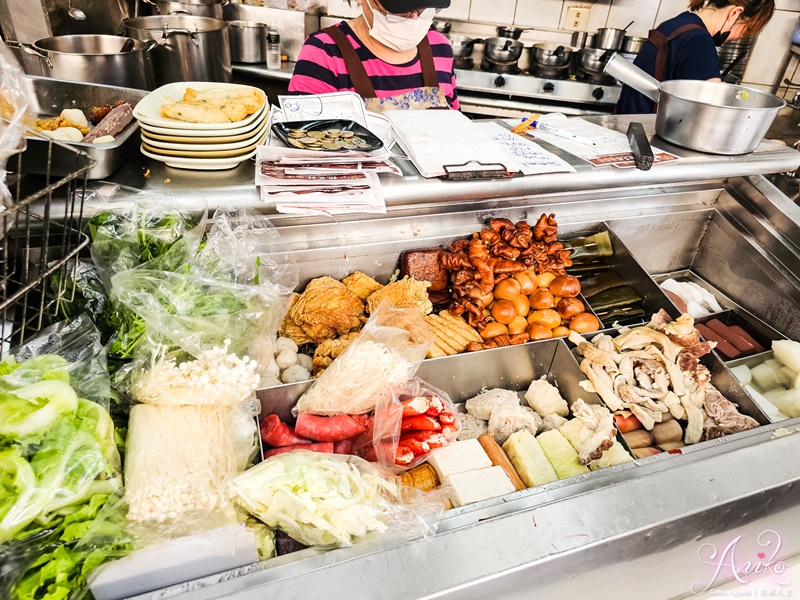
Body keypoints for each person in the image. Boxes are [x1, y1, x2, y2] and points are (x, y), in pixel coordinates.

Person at [288, 0, 459, 111]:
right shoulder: (324, 52)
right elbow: (306, 150)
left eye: (423, 9)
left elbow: (456, 131)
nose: (413, 19)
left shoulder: (439, 48)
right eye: (399, 11)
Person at [615, 0, 774, 114]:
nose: (739, 37)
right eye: (745, 30)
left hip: (629, 126)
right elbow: (711, 110)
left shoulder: (677, 23)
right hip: (647, 139)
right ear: (735, 13)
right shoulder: (699, 41)